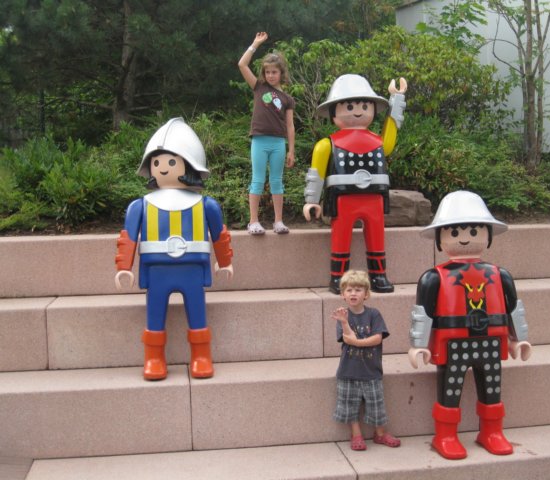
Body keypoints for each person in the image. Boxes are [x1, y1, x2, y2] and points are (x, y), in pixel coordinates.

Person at [408, 190, 532, 460]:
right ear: (440, 239)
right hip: (453, 344)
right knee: (449, 390)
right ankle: (445, 435)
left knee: (492, 389)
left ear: (487, 235)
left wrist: (518, 338)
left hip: (491, 341)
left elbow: (514, 308)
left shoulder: (500, 275)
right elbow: (422, 313)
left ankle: (492, 431)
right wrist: (418, 345)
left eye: (474, 231)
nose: (464, 237)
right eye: (454, 232)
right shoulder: (433, 278)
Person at [115, 117, 234, 381]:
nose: (162, 168)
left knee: (197, 312)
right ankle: (154, 358)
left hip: (192, 269)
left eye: (171, 162)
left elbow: (220, 236)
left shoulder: (206, 205)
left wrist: (225, 261)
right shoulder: (140, 205)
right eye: (157, 163)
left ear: (189, 165)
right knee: (154, 314)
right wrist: (124, 267)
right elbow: (128, 238)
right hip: (157, 270)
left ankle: (201, 356)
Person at [303, 74, 406, 294]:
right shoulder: (326, 144)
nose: (358, 110)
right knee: (340, 237)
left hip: (374, 198)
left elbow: (391, 135)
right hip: (343, 199)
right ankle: (338, 277)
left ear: (373, 109)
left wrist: (397, 99)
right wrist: (311, 200)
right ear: (334, 112)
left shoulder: (378, 141)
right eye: (349, 106)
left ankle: (379, 275)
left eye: (364, 106)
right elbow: (316, 173)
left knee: (377, 236)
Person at [332, 270, 401, 451]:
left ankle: (380, 433)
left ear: (366, 294)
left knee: (377, 405)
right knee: (350, 406)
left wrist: (357, 342)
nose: (353, 293)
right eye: (349, 290)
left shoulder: (374, 314)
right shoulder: (342, 316)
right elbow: (347, 338)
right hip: (348, 371)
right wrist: (344, 322)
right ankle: (356, 434)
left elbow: (377, 338)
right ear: (343, 294)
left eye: (358, 289)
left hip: (371, 371)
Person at [238, 31, 295, 235]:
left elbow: (290, 126)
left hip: (278, 143)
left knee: (277, 181)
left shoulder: (287, 99)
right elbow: (242, 64)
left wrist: (291, 150)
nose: (271, 75)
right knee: (258, 180)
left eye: (274, 72)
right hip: (259, 141)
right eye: (268, 72)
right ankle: (253, 222)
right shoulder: (259, 87)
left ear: (281, 73)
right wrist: (255, 44)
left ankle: (278, 221)